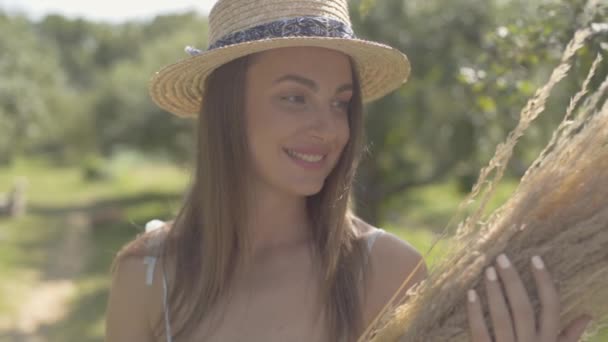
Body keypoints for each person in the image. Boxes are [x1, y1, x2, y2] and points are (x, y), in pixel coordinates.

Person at [105, 0, 591, 341]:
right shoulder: (148, 277)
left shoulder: (387, 272)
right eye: (295, 98)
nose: (329, 127)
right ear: (226, 110)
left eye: (340, 102)